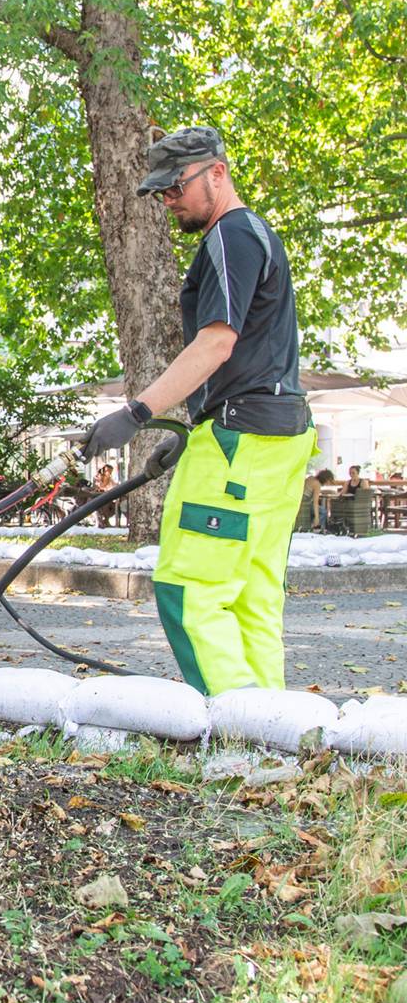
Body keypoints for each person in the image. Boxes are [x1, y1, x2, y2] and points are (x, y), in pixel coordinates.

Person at [82, 126, 315, 696]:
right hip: (279, 436)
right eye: (160, 192)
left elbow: (217, 343)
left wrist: (136, 413)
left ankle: (237, 730)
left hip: (240, 439)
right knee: (253, 592)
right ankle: (277, 732)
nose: (168, 200)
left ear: (217, 171)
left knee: (187, 588)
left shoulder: (229, 236)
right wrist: (192, 424)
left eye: (175, 186)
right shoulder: (256, 233)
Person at [93, 463, 118, 528]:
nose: (109, 473)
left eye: (110, 471)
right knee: (103, 505)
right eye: (108, 471)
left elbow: (114, 486)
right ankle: (101, 521)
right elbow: (97, 488)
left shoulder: (110, 479)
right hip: (98, 497)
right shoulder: (97, 478)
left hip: (108, 497)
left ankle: (106, 520)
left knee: (113, 505)